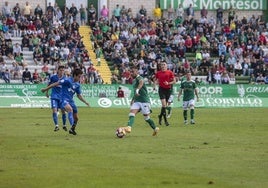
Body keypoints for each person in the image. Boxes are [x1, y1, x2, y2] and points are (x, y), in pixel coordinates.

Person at [41, 69, 90, 135]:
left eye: (80, 77)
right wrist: (45, 89)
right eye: (79, 76)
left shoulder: (77, 85)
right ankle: (71, 127)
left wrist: (85, 102)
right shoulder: (67, 80)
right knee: (70, 109)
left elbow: (79, 95)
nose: (80, 78)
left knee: (76, 118)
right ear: (74, 76)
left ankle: (72, 129)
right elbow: (55, 84)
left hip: (71, 101)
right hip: (63, 100)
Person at [122, 66, 159, 136]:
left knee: (147, 118)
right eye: (131, 72)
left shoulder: (140, 78)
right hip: (137, 101)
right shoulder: (134, 81)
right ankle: (129, 127)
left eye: (133, 72)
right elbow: (135, 92)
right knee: (131, 113)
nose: (132, 73)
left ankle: (155, 128)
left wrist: (137, 89)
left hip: (144, 101)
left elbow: (141, 83)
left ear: (137, 72)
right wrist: (133, 100)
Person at [45, 66, 67, 132]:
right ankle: (56, 126)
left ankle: (64, 125)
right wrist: (47, 92)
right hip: (54, 96)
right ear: (58, 70)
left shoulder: (65, 78)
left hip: (62, 97)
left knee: (63, 111)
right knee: (54, 110)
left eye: (63, 70)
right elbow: (49, 85)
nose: (62, 72)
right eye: (60, 70)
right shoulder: (53, 77)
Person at [154, 61, 176, 126]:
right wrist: (154, 86)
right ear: (160, 66)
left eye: (164, 64)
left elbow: (174, 81)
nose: (163, 66)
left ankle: (160, 116)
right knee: (164, 105)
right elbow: (155, 80)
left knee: (164, 106)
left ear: (166, 66)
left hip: (168, 90)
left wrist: (168, 83)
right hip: (161, 89)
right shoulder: (158, 73)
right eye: (161, 65)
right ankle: (166, 121)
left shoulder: (170, 72)